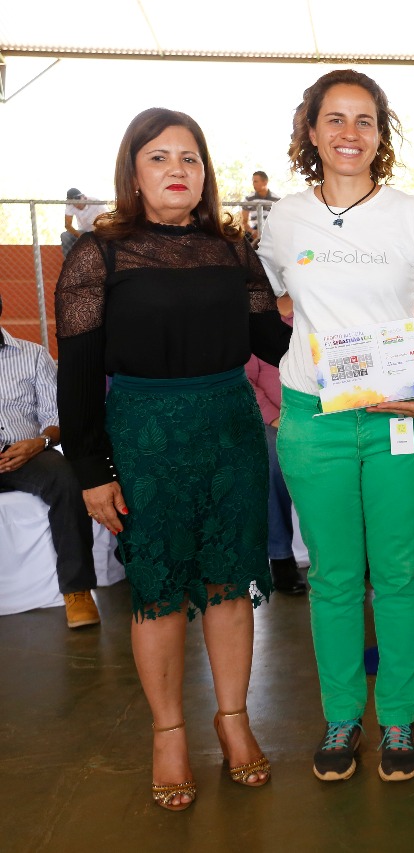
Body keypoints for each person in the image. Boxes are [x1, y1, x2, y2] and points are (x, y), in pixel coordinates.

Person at [56, 107, 290, 810]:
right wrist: (92, 471)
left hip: (230, 431)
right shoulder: (99, 254)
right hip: (144, 437)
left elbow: (273, 343)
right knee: (156, 592)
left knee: (228, 583)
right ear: (133, 172)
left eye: (189, 157)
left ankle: (233, 720)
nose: (177, 170)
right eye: (158, 157)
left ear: (206, 173)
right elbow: (77, 373)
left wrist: (340, 304)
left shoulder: (232, 249)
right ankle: (167, 732)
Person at [257, 68, 414, 785]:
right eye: (335, 119)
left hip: (397, 419)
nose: (350, 133)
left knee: (399, 575)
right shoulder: (283, 220)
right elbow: (273, 304)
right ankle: (342, 717)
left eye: (365, 120)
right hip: (313, 422)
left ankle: (398, 718)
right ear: (311, 133)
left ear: (381, 135)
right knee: (336, 578)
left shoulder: (412, 216)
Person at [0, 293, 99, 628]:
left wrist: (37, 444)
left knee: (66, 480)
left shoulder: (32, 355)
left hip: (27, 453)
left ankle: (78, 591)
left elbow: (57, 419)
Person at [244, 295, 306, 595]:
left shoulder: (318, 310)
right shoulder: (254, 318)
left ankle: (354, 553)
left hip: (324, 415)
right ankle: (281, 557)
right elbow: (245, 381)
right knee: (271, 456)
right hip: (273, 419)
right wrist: (274, 417)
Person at [60, 189, 108, 258]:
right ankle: (69, 261)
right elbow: (67, 225)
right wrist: (80, 236)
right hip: (83, 232)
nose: (77, 205)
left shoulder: (96, 202)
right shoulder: (70, 206)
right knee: (65, 236)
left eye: (78, 202)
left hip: (99, 231)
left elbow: (107, 219)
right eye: (74, 204)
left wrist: (97, 232)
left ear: (84, 197)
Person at [240, 170, 279, 246]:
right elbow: (244, 221)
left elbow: (280, 221)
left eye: (255, 181)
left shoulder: (277, 200)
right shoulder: (249, 199)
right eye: (253, 181)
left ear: (265, 182)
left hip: (270, 231)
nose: (253, 184)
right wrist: (252, 231)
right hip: (254, 231)